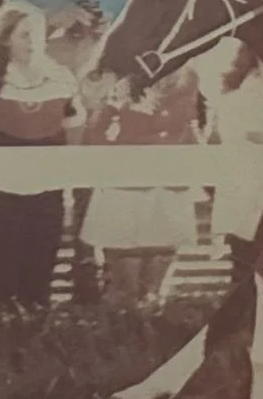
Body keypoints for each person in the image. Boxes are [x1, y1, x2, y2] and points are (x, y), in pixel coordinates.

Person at [0, 6, 79, 314]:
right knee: (0, 284)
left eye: (38, 35)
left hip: (48, 197)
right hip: (4, 197)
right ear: (6, 40)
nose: (33, 42)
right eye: (25, 35)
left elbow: (73, 132)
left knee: (39, 283)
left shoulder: (61, 79)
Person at [80, 62, 205, 308]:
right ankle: (121, 335)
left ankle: (152, 331)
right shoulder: (122, 74)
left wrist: (195, 163)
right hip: (126, 185)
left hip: (170, 184)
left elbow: (190, 125)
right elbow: (97, 128)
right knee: (125, 289)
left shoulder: (190, 76)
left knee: (154, 293)